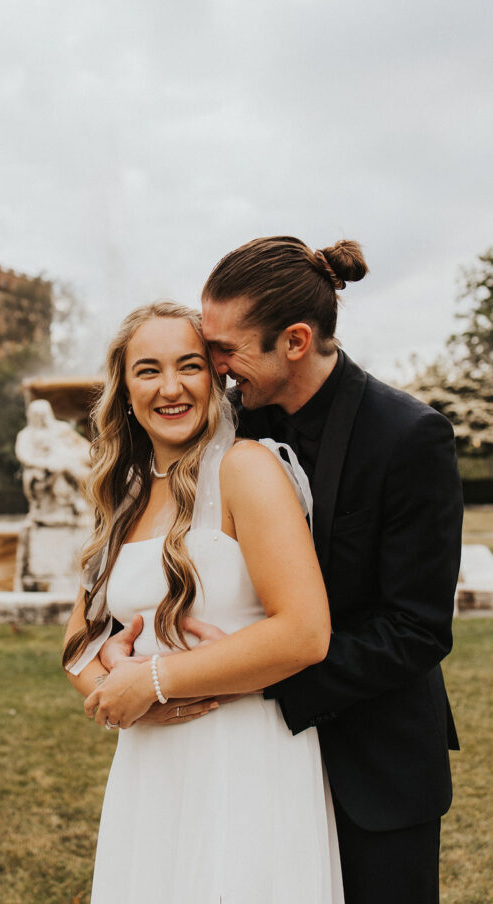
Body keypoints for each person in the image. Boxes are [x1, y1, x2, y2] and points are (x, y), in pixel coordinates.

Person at [196, 236, 462, 904]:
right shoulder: (222, 427)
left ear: (292, 340)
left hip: (375, 767)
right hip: (252, 766)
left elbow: (415, 629)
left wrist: (253, 674)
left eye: (225, 349)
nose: (213, 367)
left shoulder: (408, 437)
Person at [63, 300, 345, 903]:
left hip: (242, 752)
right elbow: (76, 643)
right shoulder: (123, 492)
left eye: (189, 366)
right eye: (148, 370)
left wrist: (156, 679)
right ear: (124, 386)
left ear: (215, 376)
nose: (171, 388)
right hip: (150, 760)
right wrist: (117, 699)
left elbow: (305, 632)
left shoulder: (248, 470)